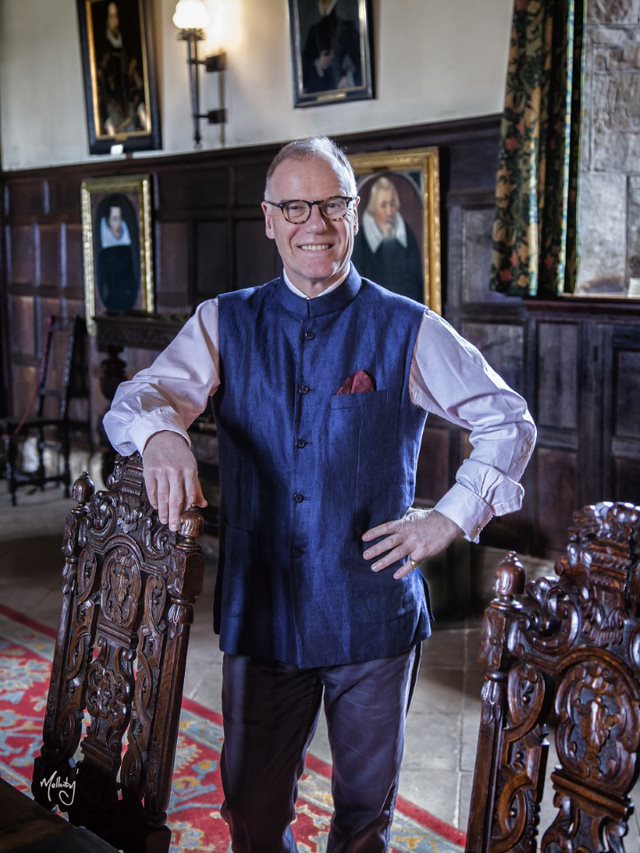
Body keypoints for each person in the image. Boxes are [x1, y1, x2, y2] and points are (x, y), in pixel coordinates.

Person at [103, 136, 536, 851]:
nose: (316, 224)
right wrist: (161, 436)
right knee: (251, 808)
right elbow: (139, 397)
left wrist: (447, 520)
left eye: (332, 205)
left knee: (364, 817)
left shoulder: (407, 326)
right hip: (262, 610)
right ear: (268, 219)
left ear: (354, 212)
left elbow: (508, 420)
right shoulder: (223, 320)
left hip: (373, 613)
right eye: (296, 208)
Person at [351, 175, 423, 302]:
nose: (389, 212)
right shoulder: (360, 241)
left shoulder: (408, 236)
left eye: (392, 204)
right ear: (373, 208)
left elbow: (416, 283)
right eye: (383, 205)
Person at [96, 1, 148, 137]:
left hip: (131, 110)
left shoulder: (126, 51)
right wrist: (106, 121)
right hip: (113, 111)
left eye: (116, 16)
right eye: (111, 16)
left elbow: (136, 81)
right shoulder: (102, 54)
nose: (114, 20)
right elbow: (100, 88)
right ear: (106, 20)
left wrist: (141, 109)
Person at [301, 0, 361, 93]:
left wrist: (349, 78)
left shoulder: (349, 28)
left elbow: (363, 61)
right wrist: (319, 64)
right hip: (322, 92)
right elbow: (305, 71)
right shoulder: (314, 31)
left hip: (348, 93)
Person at [96, 201, 138, 312]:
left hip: (128, 301)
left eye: (119, 218)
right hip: (112, 302)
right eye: (114, 219)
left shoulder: (127, 249)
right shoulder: (104, 254)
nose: (118, 223)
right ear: (108, 221)